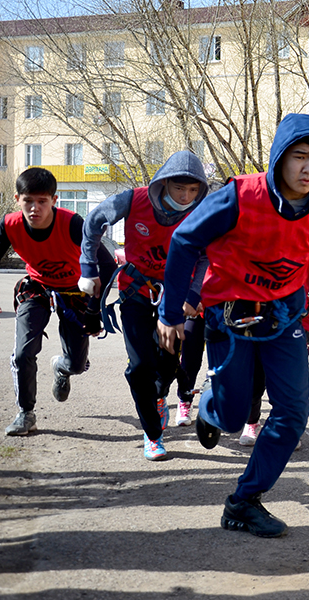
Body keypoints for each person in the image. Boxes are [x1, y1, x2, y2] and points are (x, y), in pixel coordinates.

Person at [156, 113, 309, 538]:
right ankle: (209, 408)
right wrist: (169, 311)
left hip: (286, 316)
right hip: (230, 314)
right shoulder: (239, 196)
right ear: (279, 158)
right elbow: (185, 240)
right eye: (299, 157)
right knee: (232, 414)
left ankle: (244, 501)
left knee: (294, 412)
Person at [80, 151, 209, 460]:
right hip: (135, 292)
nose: (185, 196)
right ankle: (152, 434)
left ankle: (160, 393)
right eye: (179, 188)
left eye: (193, 190)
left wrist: (193, 294)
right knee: (140, 367)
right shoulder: (132, 200)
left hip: (175, 297)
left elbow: (206, 255)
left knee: (166, 364)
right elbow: (95, 220)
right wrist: (89, 267)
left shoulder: (201, 212)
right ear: (163, 183)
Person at [0, 167, 115, 436]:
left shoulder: (73, 224)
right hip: (38, 289)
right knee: (23, 352)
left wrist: (94, 310)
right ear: (17, 198)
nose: (35, 208)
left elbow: (107, 265)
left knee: (77, 365)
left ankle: (62, 367)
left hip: (76, 292)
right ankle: (26, 413)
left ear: (54, 201)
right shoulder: (10, 225)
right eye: (28, 201)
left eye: (42, 201)